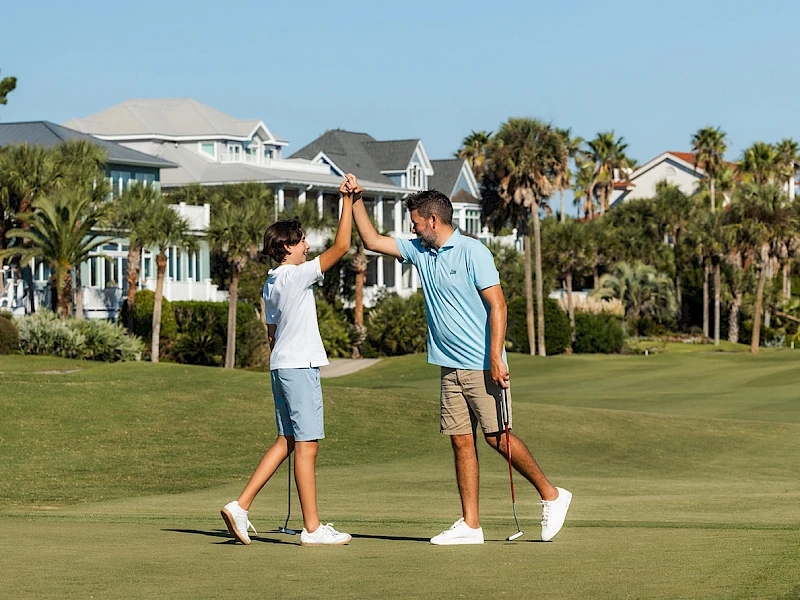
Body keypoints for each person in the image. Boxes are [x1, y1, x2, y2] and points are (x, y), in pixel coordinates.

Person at [352, 188, 572, 545]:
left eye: (416, 223)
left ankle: (552, 495)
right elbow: (373, 240)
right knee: (460, 441)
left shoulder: (474, 252)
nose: (413, 229)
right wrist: (356, 199)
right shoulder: (422, 251)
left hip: (481, 364)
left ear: (433, 221)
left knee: (496, 437)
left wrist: (496, 356)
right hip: (447, 365)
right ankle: (471, 525)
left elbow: (498, 305)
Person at [220, 174, 359, 547]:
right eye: (302, 241)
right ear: (287, 248)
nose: (308, 245)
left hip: (281, 365)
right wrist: (346, 201)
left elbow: (271, 334)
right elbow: (343, 245)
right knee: (308, 445)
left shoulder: (269, 283)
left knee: (288, 441)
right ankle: (312, 529)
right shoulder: (295, 276)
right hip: (298, 367)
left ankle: (241, 505)